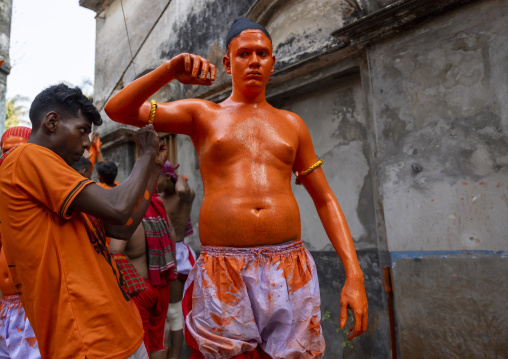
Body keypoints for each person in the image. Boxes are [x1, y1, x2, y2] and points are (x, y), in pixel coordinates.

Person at [105, 18, 368, 358]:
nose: (254, 61)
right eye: (244, 54)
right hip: (222, 270)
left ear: (273, 62)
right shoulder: (203, 115)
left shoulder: (293, 125)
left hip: (289, 269)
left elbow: (325, 199)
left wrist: (355, 274)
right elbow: (117, 109)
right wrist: (169, 70)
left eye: (263, 53)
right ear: (228, 63)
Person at [0, 83, 168, 358]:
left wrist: (154, 168)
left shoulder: (62, 178)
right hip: (87, 339)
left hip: (119, 329)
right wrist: (146, 154)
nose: (87, 142)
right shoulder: (27, 156)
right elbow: (118, 208)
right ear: (52, 122)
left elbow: (121, 228)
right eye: (81, 130)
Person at [110, 188, 177, 359]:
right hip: (162, 286)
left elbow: (115, 253)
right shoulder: (160, 211)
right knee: (157, 344)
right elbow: (173, 239)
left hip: (138, 289)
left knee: (140, 345)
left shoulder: (129, 216)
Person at [0, 127, 41, 359]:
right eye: (5, 151)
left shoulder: (38, 190)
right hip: (4, 304)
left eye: (16, 151)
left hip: (30, 302)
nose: (8, 158)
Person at [157, 162, 196, 359]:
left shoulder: (185, 195)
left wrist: (177, 175)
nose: (155, 183)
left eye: (157, 177)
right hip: (162, 254)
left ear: (168, 177)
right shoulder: (159, 199)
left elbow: (181, 188)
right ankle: (165, 349)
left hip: (177, 255)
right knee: (164, 311)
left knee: (173, 311)